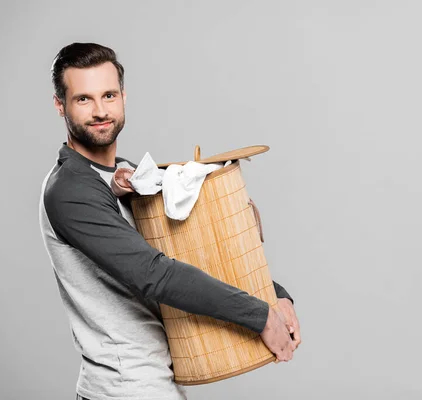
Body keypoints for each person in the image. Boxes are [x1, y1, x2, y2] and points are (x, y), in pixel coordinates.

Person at [39, 42, 301, 400]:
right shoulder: (71, 190)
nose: (101, 110)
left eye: (109, 95)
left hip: (155, 380)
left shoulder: (124, 176)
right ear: (60, 105)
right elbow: (156, 274)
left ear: (123, 96)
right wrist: (260, 315)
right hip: (123, 388)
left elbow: (188, 251)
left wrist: (275, 297)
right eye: (84, 99)